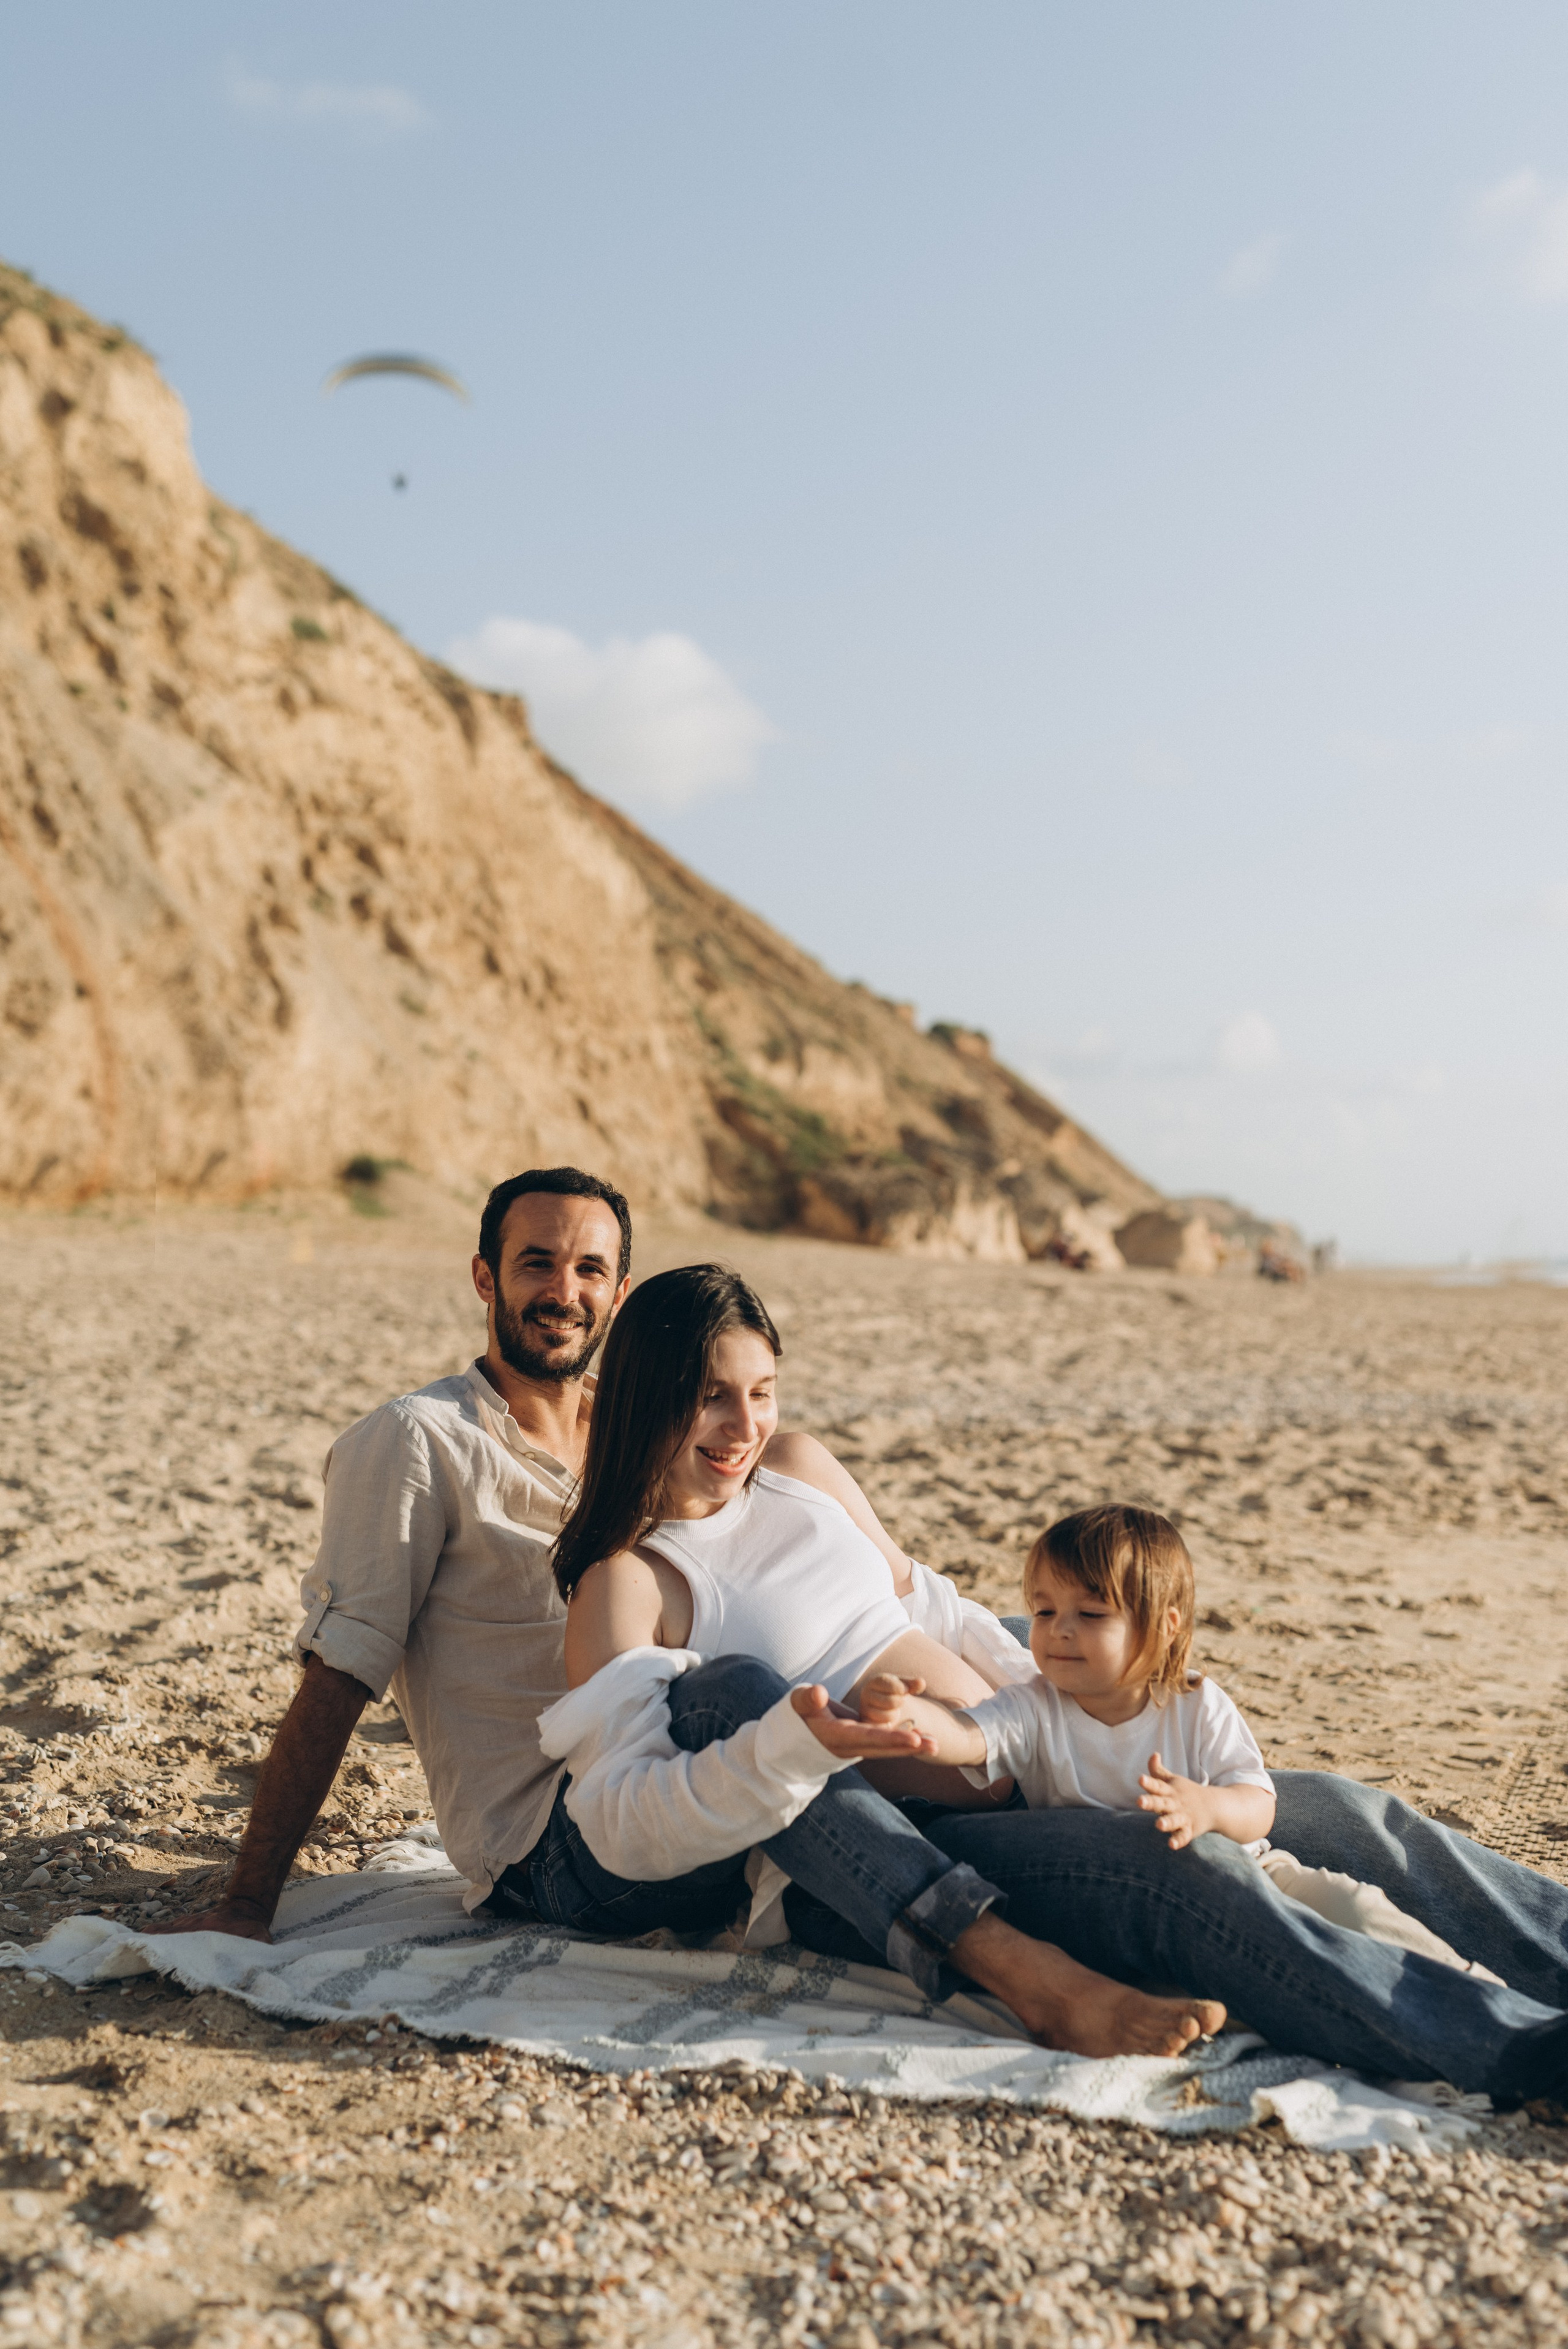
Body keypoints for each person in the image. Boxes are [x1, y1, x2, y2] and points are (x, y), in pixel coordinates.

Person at [537, 1262, 1568, 2100]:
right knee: (1187, 1873)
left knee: (1351, 1812)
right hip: (932, 1840)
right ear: (649, 1392)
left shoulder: (800, 1470)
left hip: (1052, 1742)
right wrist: (795, 1744)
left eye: (761, 1391)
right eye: (711, 1395)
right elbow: (624, 1823)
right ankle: (1521, 2051)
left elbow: (934, 1605)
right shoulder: (633, 1582)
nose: (743, 1424)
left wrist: (1073, 1689)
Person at [147, 1163, 638, 1943]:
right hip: (548, 1841)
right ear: (485, 1278)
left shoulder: (638, 1432)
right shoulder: (416, 1442)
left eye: (590, 1270)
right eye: (536, 1262)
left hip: (664, 1773)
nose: (564, 1292)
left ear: (619, 1291)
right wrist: (246, 1905)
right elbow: (341, 1669)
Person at [858, 1503, 1501, 1981]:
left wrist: (1207, 1807)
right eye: (1044, 1610)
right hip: (1126, 1896)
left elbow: (1259, 1802)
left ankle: (1470, 1985)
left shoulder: (1194, 1704)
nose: (1057, 1630)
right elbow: (970, 1737)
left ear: (1163, 1626)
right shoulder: (1035, 1705)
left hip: (1251, 1872)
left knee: (1348, 1905)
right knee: (1270, 1962)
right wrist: (912, 1718)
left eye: (1090, 1614)